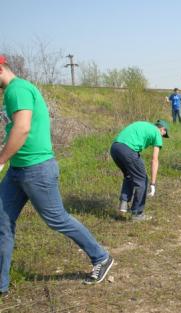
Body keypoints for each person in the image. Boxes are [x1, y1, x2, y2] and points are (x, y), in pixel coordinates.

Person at [0, 55, 113, 293]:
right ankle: (2, 284)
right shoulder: (15, 91)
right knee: (2, 221)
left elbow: (22, 128)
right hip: (17, 170)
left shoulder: (16, 90)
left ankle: (100, 257)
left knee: (57, 219)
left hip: (36, 170)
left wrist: (1, 159)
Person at [110, 120, 169, 221]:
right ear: (162, 129)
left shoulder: (143, 124)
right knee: (142, 180)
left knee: (129, 175)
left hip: (115, 148)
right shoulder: (157, 133)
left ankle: (123, 206)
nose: (163, 137)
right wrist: (153, 184)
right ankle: (137, 214)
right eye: (164, 134)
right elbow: (155, 160)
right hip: (128, 150)